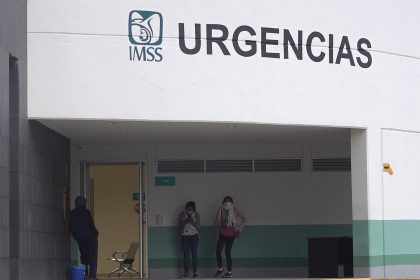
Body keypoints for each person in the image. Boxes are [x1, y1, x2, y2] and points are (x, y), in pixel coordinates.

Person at [214, 196, 246, 278]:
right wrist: (221, 224)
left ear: (232, 202)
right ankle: (220, 269)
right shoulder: (220, 209)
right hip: (222, 233)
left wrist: (239, 229)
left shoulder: (235, 209)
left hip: (232, 233)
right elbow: (216, 221)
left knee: (227, 252)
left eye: (229, 201)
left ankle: (229, 272)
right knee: (218, 251)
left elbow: (244, 219)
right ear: (223, 201)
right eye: (226, 201)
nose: (227, 202)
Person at [69, 196, 99, 280]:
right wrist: (96, 234)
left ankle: (85, 274)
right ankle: (92, 276)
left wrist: (76, 236)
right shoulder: (86, 212)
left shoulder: (71, 213)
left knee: (84, 256)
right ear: (83, 203)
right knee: (92, 256)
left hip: (79, 238)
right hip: (90, 238)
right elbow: (91, 225)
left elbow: (71, 226)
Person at [179, 201, 200, 278]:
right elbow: (179, 226)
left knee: (194, 254)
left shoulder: (196, 215)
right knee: (186, 255)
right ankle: (186, 273)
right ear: (186, 207)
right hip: (184, 236)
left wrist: (192, 222)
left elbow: (199, 226)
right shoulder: (182, 214)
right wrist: (185, 221)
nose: (189, 209)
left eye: (191, 208)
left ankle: (195, 272)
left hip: (194, 236)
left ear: (193, 208)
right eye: (188, 208)